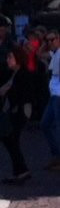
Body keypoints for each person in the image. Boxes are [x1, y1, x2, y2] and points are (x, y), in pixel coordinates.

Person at [0, 46, 33, 184]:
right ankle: (19, 171)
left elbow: (22, 94)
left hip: (20, 111)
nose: (8, 60)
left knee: (11, 139)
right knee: (11, 140)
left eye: (10, 57)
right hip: (15, 110)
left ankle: (21, 171)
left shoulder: (23, 74)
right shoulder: (14, 73)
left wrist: (8, 91)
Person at [39, 30, 60, 171]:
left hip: (59, 95)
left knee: (57, 127)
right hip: (53, 95)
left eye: (52, 40)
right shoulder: (55, 53)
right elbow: (40, 54)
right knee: (45, 124)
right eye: (48, 40)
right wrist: (43, 44)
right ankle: (57, 155)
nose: (50, 43)